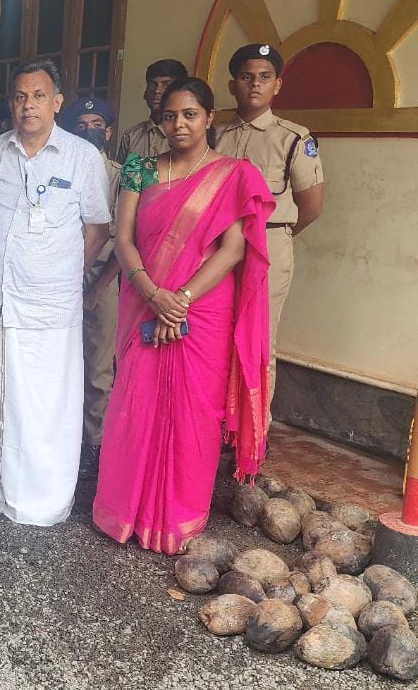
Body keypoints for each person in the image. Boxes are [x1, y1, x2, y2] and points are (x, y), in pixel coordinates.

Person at [93, 77, 274, 554]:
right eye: (170, 115)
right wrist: (154, 294)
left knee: (194, 413)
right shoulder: (139, 169)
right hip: (144, 300)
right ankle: (123, 512)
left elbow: (234, 249)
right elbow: (124, 239)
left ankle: (177, 519)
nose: (179, 124)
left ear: (209, 118)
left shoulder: (234, 175)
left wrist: (181, 298)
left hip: (203, 310)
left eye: (190, 114)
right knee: (134, 404)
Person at [0, 60, 110, 525]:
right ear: (11, 104)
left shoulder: (82, 156)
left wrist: (66, 275)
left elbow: (97, 228)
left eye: (39, 96)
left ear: (57, 102)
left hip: (50, 304)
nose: (29, 106)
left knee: (44, 402)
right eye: (21, 97)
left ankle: (42, 495)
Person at [215, 43, 324, 419]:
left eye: (264, 77)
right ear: (233, 85)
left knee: (259, 339)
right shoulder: (215, 134)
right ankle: (219, 421)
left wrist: (274, 238)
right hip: (217, 245)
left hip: (268, 243)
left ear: (277, 85)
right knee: (216, 331)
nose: (255, 85)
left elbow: (311, 207)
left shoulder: (293, 138)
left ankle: (254, 429)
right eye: (246, 77)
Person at [63, 97, 123, 461]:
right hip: (61, 279)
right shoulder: (63, 170)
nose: (89, 131)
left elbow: (127, 240)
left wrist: (98, 288)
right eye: (82, 125)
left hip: (102, 277)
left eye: (97, 125)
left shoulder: (121, 175)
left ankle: (94, 443)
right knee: (62, 364)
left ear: (109, 131)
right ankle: (65, 439)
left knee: (98, 368)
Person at [117, 59, 187, 162]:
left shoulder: (186, 136)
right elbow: (121, 171)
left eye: (166, 85)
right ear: (145, 93)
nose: (157, 91)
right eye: (152, 85)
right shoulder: (130, 137)